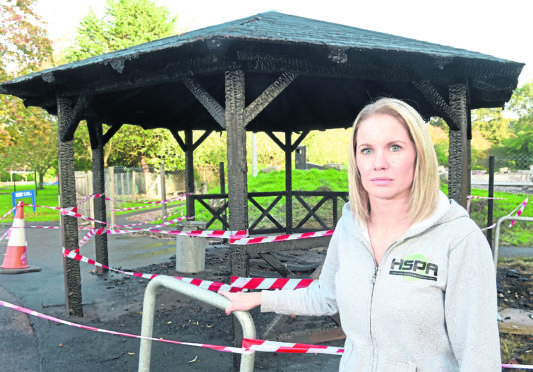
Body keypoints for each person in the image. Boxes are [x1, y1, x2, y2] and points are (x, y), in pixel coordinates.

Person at [220, 97, 501, 371]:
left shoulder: (459, 238)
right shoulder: (349, 226)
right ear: (356, 160)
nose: (378, 163)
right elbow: (325, 296)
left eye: (394, 147)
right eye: (366, 150)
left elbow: (479, 355)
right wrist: (262, 298)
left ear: (419, 154)